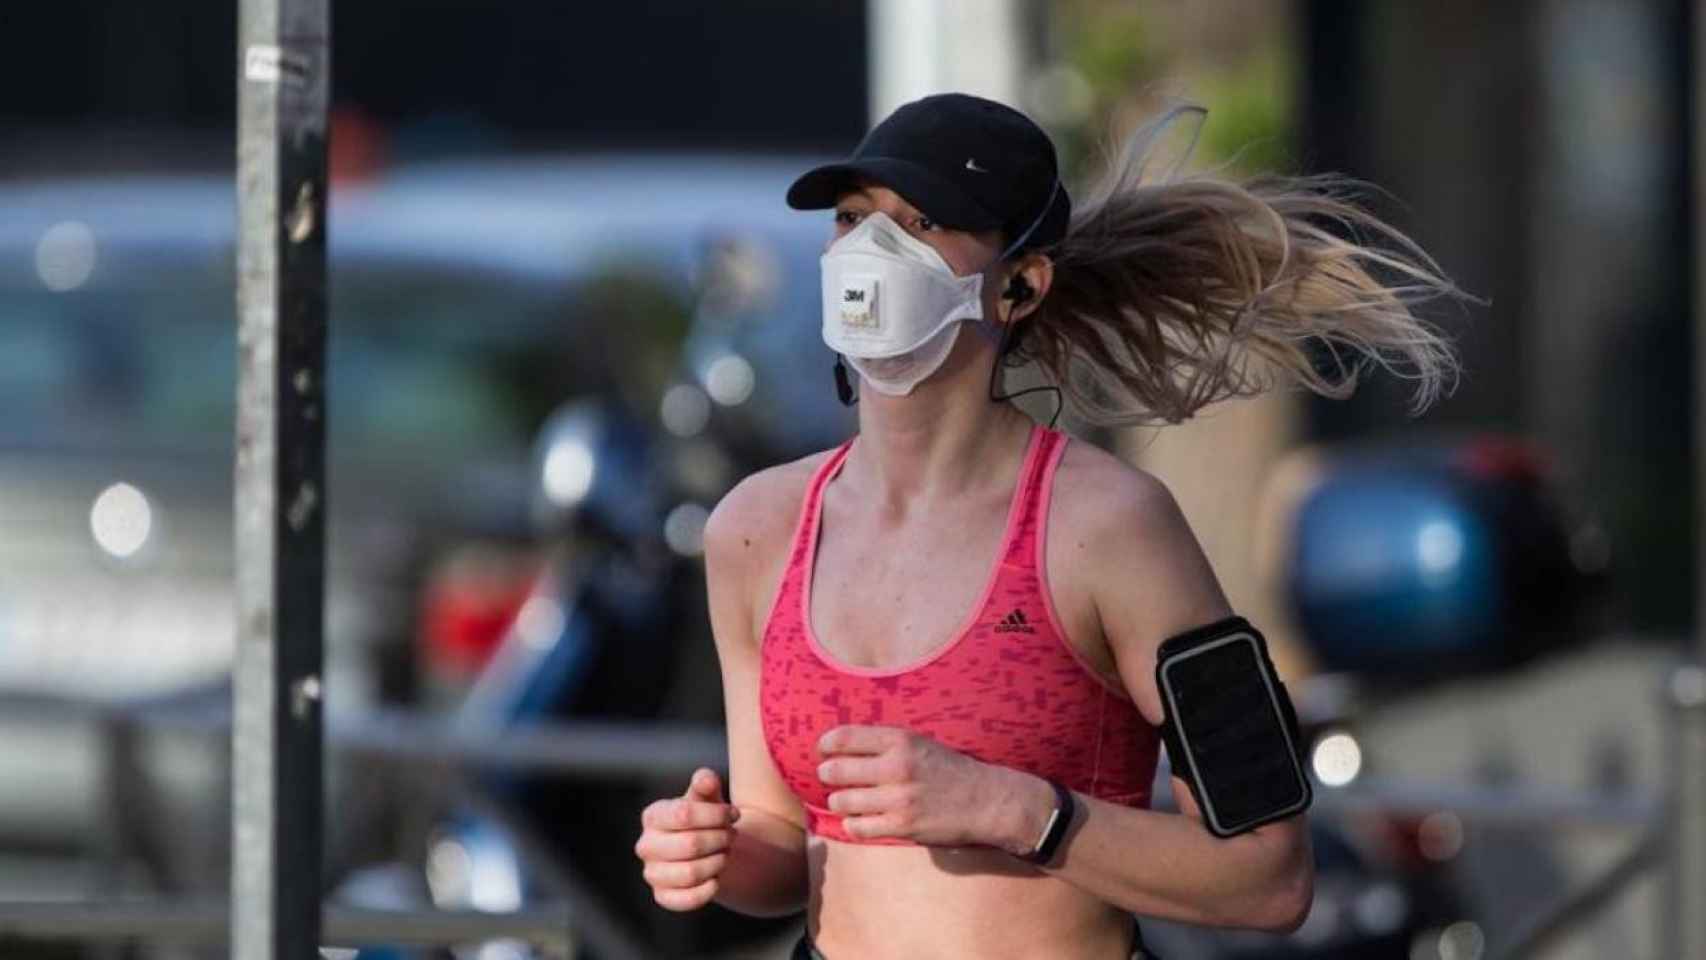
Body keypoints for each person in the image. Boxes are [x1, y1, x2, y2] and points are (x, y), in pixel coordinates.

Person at [634, 92, 1459, 959]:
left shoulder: (1111, 527)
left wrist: (1013, 809)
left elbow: (1270, 875)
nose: (869, 252)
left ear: (1020, 285)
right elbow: (783, 840)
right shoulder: (755, 532)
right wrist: (718, 853)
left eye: (920, 223)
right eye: (852, 217)